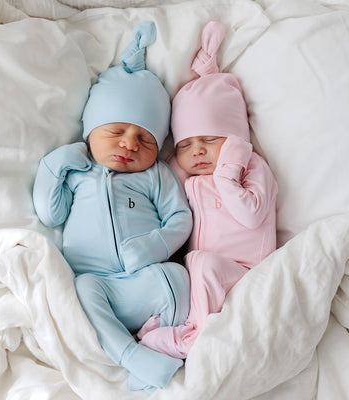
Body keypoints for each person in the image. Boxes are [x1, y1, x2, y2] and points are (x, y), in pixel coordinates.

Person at [33, 21, 193, 392]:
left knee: (179, 278)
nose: (130, 144)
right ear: (91, 131)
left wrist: (154, 246)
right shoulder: (78, 171)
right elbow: (50, 213)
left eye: (145, 138)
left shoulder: (156, 175)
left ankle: (160, 342)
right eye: (117, 131)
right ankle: (131, 355)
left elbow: (180, 218)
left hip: (146, 283)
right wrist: (55, 165)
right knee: (84, 288)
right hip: (103, 289)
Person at [138, 21, 278, 360]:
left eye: (210, 140)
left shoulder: (252, 168)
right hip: (204, 279)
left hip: (244, 272)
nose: (198, 151)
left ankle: (193, 339)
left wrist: (229, 173)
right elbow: (162, 191)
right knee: (178, 272)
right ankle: (168, 322)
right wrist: (174, 164)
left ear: (234, 139)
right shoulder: (191, 179)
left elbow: (251, 212)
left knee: (200, 263)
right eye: (187, 144)